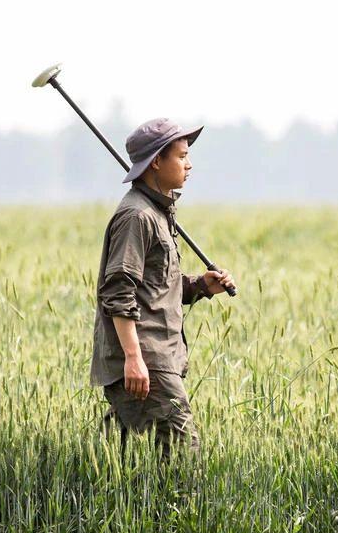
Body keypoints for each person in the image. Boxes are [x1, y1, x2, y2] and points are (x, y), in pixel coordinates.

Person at [90, 118, 236, 460]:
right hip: (147, 359)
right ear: (156, 161)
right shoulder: (137, 217)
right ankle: (186, 512)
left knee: (120, 456)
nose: (189, 164)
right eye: (181, 155)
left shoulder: (157, 213)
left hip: (155, 357)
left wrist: (201, 286)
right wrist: (133, 359)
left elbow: (156, 288)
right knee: (185, 455)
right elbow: (118, 292)